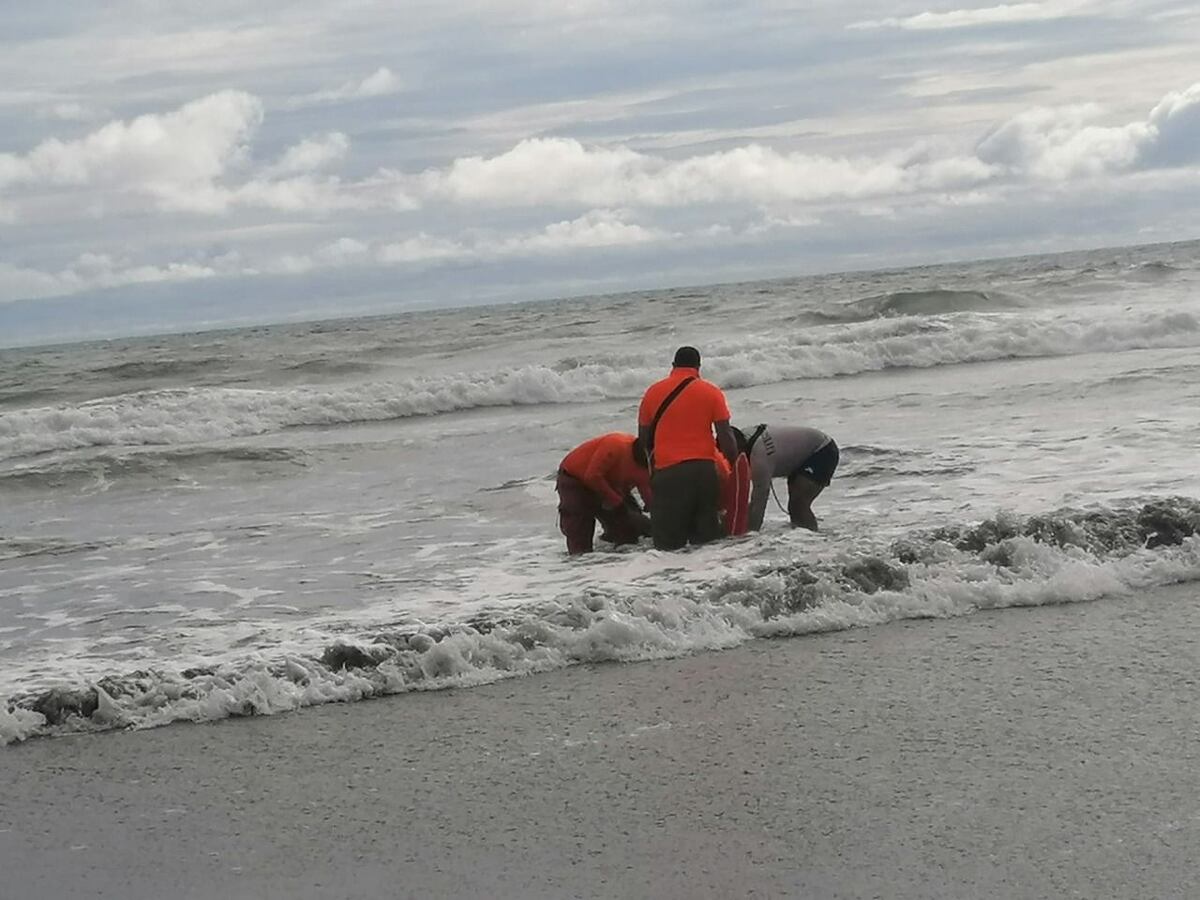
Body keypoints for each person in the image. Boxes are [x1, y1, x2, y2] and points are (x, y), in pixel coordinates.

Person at [637, 346, 737, 550]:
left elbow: (643, 439)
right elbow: (725, 435)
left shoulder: (652, 392)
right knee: (706, 539)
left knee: (668, 544)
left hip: (668, 473)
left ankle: (676, 580)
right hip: (703, 472)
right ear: (698, 367)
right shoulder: (711, 391)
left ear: (673, 366)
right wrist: (734, 465)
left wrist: (652, 471)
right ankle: (704, 580)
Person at [556, 432, 653, 555]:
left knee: (629, 525)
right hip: (575, 479)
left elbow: (649, 498)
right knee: (579, 533)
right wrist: (616, 502)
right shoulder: (616, 445)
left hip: (611, 483)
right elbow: (592, 476)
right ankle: (580, 566)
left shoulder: (646, 467)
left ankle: (617, 561)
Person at [736, 424, 840, 532]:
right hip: (800, 454)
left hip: (822, 450)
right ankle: (801, 538)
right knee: (794, 508)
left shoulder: (760, 456)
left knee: (798, 504)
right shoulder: (744, 436)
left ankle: (814, 539)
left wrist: (751, 535)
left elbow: (759, 500)